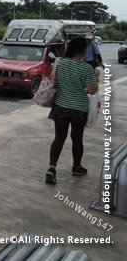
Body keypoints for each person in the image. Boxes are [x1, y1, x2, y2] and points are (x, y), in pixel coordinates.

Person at [46, 37, 98, 184]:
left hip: (61, 106)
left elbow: (55, 82)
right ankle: (76, 166)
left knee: (59, 138)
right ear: (81, 50)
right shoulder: (86, 68)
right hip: (79, 108)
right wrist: (95, 80)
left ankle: (51, 168)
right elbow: (92, 90)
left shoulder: (61, 63)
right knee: (77, 138)